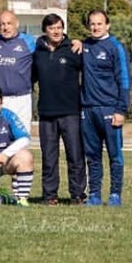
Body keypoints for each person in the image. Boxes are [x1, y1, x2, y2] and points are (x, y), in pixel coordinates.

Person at [32, 13, 85, 205]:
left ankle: (78, 195)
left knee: (75, 155)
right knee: (49, 158)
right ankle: (50, 195)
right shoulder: (37, 53)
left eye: (59, 27)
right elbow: (30, 78)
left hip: (71, 112)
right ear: (45, 31)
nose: (56, 31)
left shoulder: (74, 50)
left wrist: (82, 43)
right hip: (46, 114)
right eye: (52, 28)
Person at [81, 9, 131, 207]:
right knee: (92, 155)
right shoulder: (84, 45)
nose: (95, 27)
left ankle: (115, 195)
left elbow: (125, 80)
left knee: (114, 155)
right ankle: (94, 194)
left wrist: (121, 109)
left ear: (107, 25)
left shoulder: (115, 47)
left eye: (99, 23)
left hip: (110, 109)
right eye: (92, 23)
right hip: (87, 109)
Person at [0, 11, 37, 127]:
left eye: (9, 23)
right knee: (0, 138)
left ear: (16, 24)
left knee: (21, 138)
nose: (6, 27)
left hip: (21, 98)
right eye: (2, 24)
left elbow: (48, 45)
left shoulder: (29, 41)